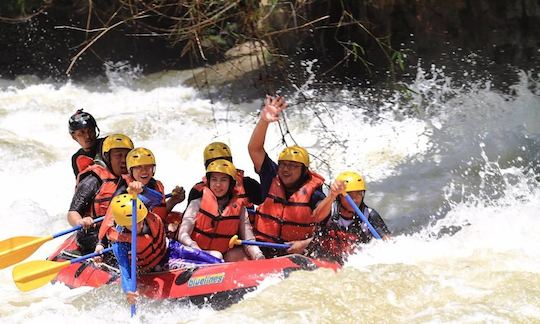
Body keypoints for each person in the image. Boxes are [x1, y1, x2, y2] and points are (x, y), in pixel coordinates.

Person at [247, 95, 341, 258]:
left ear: (304, 171)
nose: (286, 170)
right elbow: (255, 149)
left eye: (293, 166)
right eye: (283, 164)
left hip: (295, 253)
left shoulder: (314, 193)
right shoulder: (271, 176)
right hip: (262, 249)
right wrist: (264, 121)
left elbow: (320, 216)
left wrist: (332, 196)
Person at [105, 193, 222, 305]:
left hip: (171, 248)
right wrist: (129, 291)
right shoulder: (120, 245)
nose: (138, 225)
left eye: (139, 220)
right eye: (132, 223)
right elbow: (126, 273)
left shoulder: (148, 214)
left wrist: (141, 190)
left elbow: (158, 198)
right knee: (198, 268)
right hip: (157, 265)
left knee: (215, 260)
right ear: (123, 224)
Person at [177, 159, 264, 262]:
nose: (218, 185)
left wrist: (258, 256)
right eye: (214, 179)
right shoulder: (196, 204)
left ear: (231, 183)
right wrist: (195, 248)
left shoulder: (240, 209)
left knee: (244, 256)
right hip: (194, 252)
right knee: (216, 255)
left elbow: (248, 239)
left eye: (223, 180)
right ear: (209, 182)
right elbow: (182, 235)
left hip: (222, 254)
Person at [97, 147, 185, 243]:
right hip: (134, 239)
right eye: (139, 167)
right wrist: (101, 243)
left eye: (148, 167)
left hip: (156, 230)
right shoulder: (124, 191)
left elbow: (158, 209)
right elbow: (110, 219)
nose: (144, 171)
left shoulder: (157, 185)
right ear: (131, 170)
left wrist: (173, 201)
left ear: (153, 169)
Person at [67, 133, 134, 254]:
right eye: (118, 155)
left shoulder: (134, 178)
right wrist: (80, 222)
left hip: (122, 229)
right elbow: (73, 212)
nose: (124, 160)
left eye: (127, 155)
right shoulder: (93, 180)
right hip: (94, 234)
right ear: (107, 157)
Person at [306, 171, 391, 265]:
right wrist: (331, 196)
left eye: (359, 194)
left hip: (352, 263)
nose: (355, 200)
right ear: (339, 197)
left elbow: (387, 243)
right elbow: (316, 217)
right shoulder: (330, 209)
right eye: (350, 195)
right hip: (323, 259)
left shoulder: (370, 215)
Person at [186, 142, 263, 208]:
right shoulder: (198, 191)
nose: (219, 168)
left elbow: (268, 206)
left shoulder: (248, 185)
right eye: (214, 164)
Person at [68, 109, 104, 176]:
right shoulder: (76, 158)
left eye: (90, 131)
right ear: (74, 137)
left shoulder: (107, 145)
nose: (87, 136)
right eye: (82, 133)